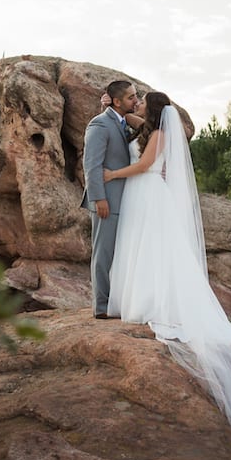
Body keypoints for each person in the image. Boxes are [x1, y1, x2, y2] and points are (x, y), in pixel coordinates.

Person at [103, 92, 231, 452]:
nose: (136, 105)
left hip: (148, 190)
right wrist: (111, 110)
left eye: (141, 103)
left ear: (152, 109)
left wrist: (112, 174)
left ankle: (154, 302)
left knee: (156, 251)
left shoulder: (160, 137)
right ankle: (140, 297)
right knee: (144, 248)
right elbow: (137, 123)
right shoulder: (152, 128)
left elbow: (143, 166)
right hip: (144, 196)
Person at [81, 80, 138, 319]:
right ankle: (101, 307)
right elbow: (91, 166)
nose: (136, 100)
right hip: (107, 201)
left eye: (136, 96)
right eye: (131, 97)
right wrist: (98, 199)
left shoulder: (123, 123)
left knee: (119, 254)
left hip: (125, 201)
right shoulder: (100, 124)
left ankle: (116, 301)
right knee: (103, 254)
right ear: (117, 101)